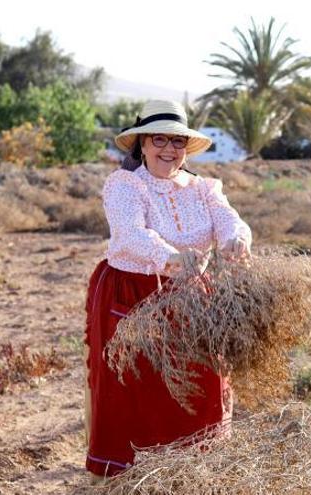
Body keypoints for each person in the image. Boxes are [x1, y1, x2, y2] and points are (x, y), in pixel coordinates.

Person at [83, 100, 252, 477]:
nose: (168, 150)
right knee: (134, 388)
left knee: (199, 385)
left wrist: (236, 240)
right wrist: (174, 258)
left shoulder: (204, 188)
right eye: (159, 140)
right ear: (141, 143)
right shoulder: (124, 185)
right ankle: (130, 478)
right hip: (132, 295)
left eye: (177, 142)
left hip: (193, 297)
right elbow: (130, 235)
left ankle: (190, 475)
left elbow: (229, 221)